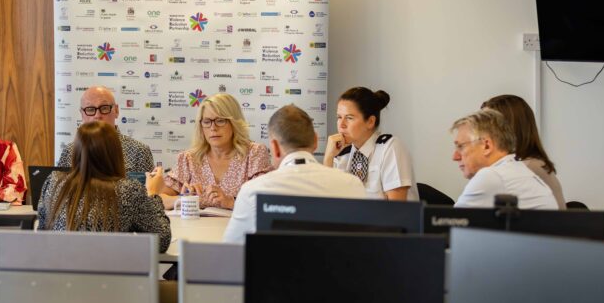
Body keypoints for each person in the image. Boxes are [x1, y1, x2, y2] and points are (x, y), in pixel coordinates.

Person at [224, 105, 367, 243]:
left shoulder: (253, 191)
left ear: (274, 147)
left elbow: (231, 250)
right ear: (316, 141)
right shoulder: (353, 185)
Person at [39, 121, 170, 250]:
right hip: (106, 269)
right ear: (116, 153)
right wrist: (153, 193)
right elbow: (161, 242)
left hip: (59, 268)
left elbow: (42, 233)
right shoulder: (128, 191)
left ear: (76, 151)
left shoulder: (53, 182)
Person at [146, 93, 271, 209]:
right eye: (207, 121)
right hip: (195, 230)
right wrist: (184, 199)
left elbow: (266, 202)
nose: (213, 128)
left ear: (234, 123)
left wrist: (230, 202)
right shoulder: (188, 158)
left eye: (220, 120)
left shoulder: (254, 154)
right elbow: (159, 199)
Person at [323, 87, 418, 201]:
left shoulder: (390, 148)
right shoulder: (341, 154)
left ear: (370, 122)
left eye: (349, 118)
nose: (341, 124)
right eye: (339, 117)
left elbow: (397, 211)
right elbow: (326, 204)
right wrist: (328, 157)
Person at [451, 109, 558, 210]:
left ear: (486, 146)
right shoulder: (518, 171)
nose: (455, 157)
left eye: (461, 146)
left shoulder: (492, 176)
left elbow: (449, 224)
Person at [481, 94, 565, 209]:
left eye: (486, 125)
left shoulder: (528, 169)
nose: (480, 133)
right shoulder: (529, 164)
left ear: (508, 127)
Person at [57, 86, 154, 174]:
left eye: (104, 108)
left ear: (116, 111)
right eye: (90, 109)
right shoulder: (69, 152)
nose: (97, 116)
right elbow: (60, 191)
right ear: (82, 114)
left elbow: (149, 192)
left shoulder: (139, 152)